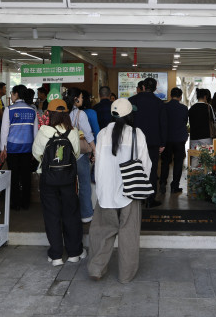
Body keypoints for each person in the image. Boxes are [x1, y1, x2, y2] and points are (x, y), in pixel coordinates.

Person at [87, 98, 151, 283]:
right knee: (128, 234)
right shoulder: (137, 134)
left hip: (106, 192)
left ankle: (96, 269)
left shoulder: (102, 134)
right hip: (129, 192)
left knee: (101, 233)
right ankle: (125, 274)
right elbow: (145, 164)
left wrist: (100, 189)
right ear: (130, 115)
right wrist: (141, 184)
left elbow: (98, 165)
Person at [32, 99, 85, 266]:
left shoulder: (43, 132)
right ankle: (74, 253)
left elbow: (36, 154)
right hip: (68, 179)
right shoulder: (73, 132)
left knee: (51, 215)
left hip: (48, 179)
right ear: (66, 113)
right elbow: (76, 154)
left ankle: (56, 256)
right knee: (71, 214)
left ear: (49, 113)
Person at [129, 77, 167, 207]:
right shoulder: (159, 103)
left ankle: (136, 197)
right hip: (153, 142)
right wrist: (163, 143)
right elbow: (163, 124)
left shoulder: (132, 101)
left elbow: (128, 122)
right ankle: (150, 199)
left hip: (134, 141)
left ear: (143, 87)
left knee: (135, 168)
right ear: (155, 89)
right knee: (152, 169)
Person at [0, 85, 39, 210]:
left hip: (12, 148)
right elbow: (35, 132)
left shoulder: (9, 110)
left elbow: (4, 131)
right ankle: (25, 203)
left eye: (12, 93)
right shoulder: (32, 110)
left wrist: (3, 149)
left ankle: (15, 203)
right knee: (26, 175)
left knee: (14, 175)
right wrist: (35, 149)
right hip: (28, 148)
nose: (11, 96)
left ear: (16, 94)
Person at [65, 87, 97, 223]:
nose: (82, 99)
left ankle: (69, 214)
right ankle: (86, 214)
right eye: (81, 97)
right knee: (84, 185)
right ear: (76, 99)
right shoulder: (80, 114)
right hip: (79, 155)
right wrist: (94, 150)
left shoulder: (62, 113)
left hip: (64, 155)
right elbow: (88, 134)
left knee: (67, 186)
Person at [160, 87, 188, 194]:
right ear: (180, 97)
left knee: (165, 162)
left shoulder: (164, 106)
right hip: (179, 139)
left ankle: (162, 183)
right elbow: (185, 122)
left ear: (170, 96)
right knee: (178, 163)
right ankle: (174, 186)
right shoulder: (184, 108)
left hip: (166, 139)